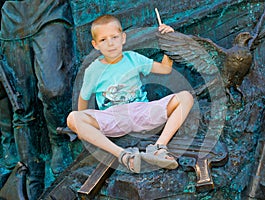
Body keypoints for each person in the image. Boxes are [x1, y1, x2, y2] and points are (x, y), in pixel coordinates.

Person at [67, 14, 194, 173]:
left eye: (114, 37)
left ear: (123, 38)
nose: (110, 43)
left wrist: (169, 42)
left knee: (186, 97)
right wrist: (83, 129)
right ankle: (124, 156)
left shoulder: (133, 58)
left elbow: (165, 69)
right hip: (113, 117)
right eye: (103, 40)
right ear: (95, 45)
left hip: (142, 111)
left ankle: (158, 148)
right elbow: (83, 99)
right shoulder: (93, 70)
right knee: (73, 118)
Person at [0, 1, 75, 198]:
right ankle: (30, 174)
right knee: (21, 104)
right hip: (11, 22)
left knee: (54, 88)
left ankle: (60, 140)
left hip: (50, 11)